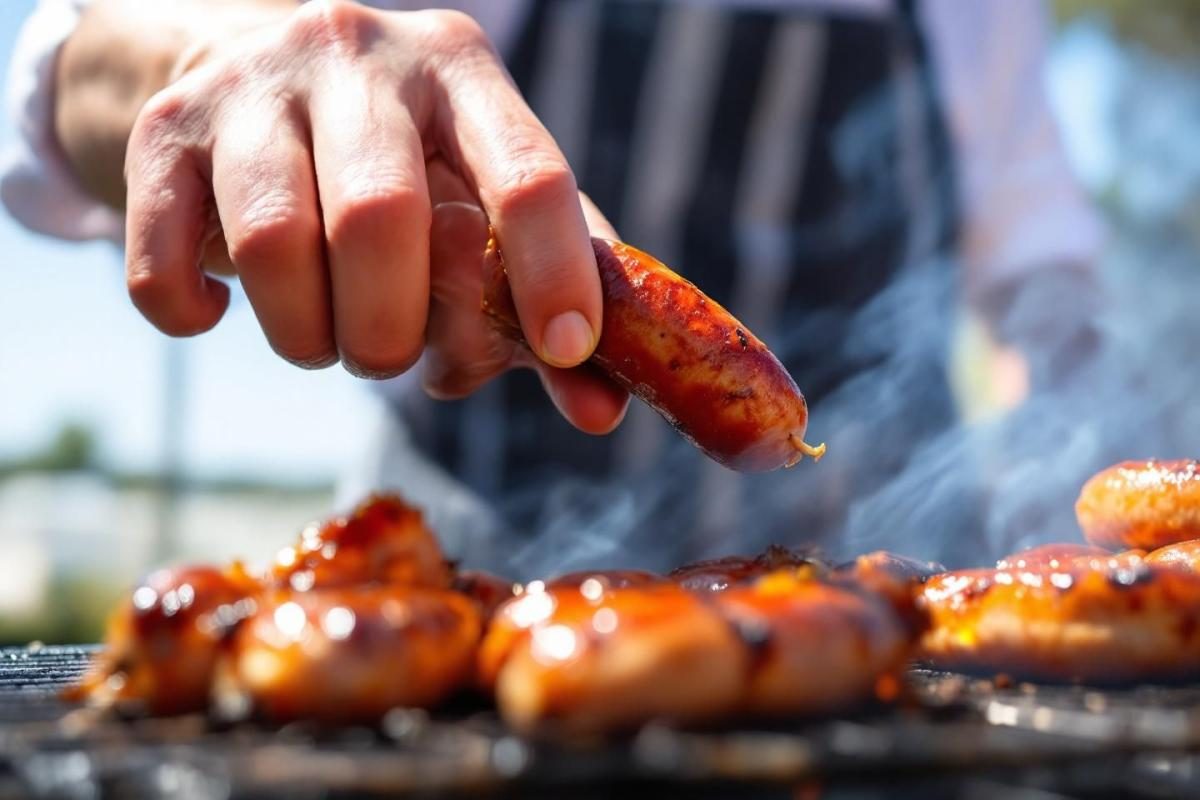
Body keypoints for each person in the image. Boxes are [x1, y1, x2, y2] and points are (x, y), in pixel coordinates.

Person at [2, 0, 1105, 574]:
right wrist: (213, 61)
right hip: (469, 613)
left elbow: (1051, 298)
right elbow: (75, 62)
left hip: (881, 654)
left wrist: (1098, 482)